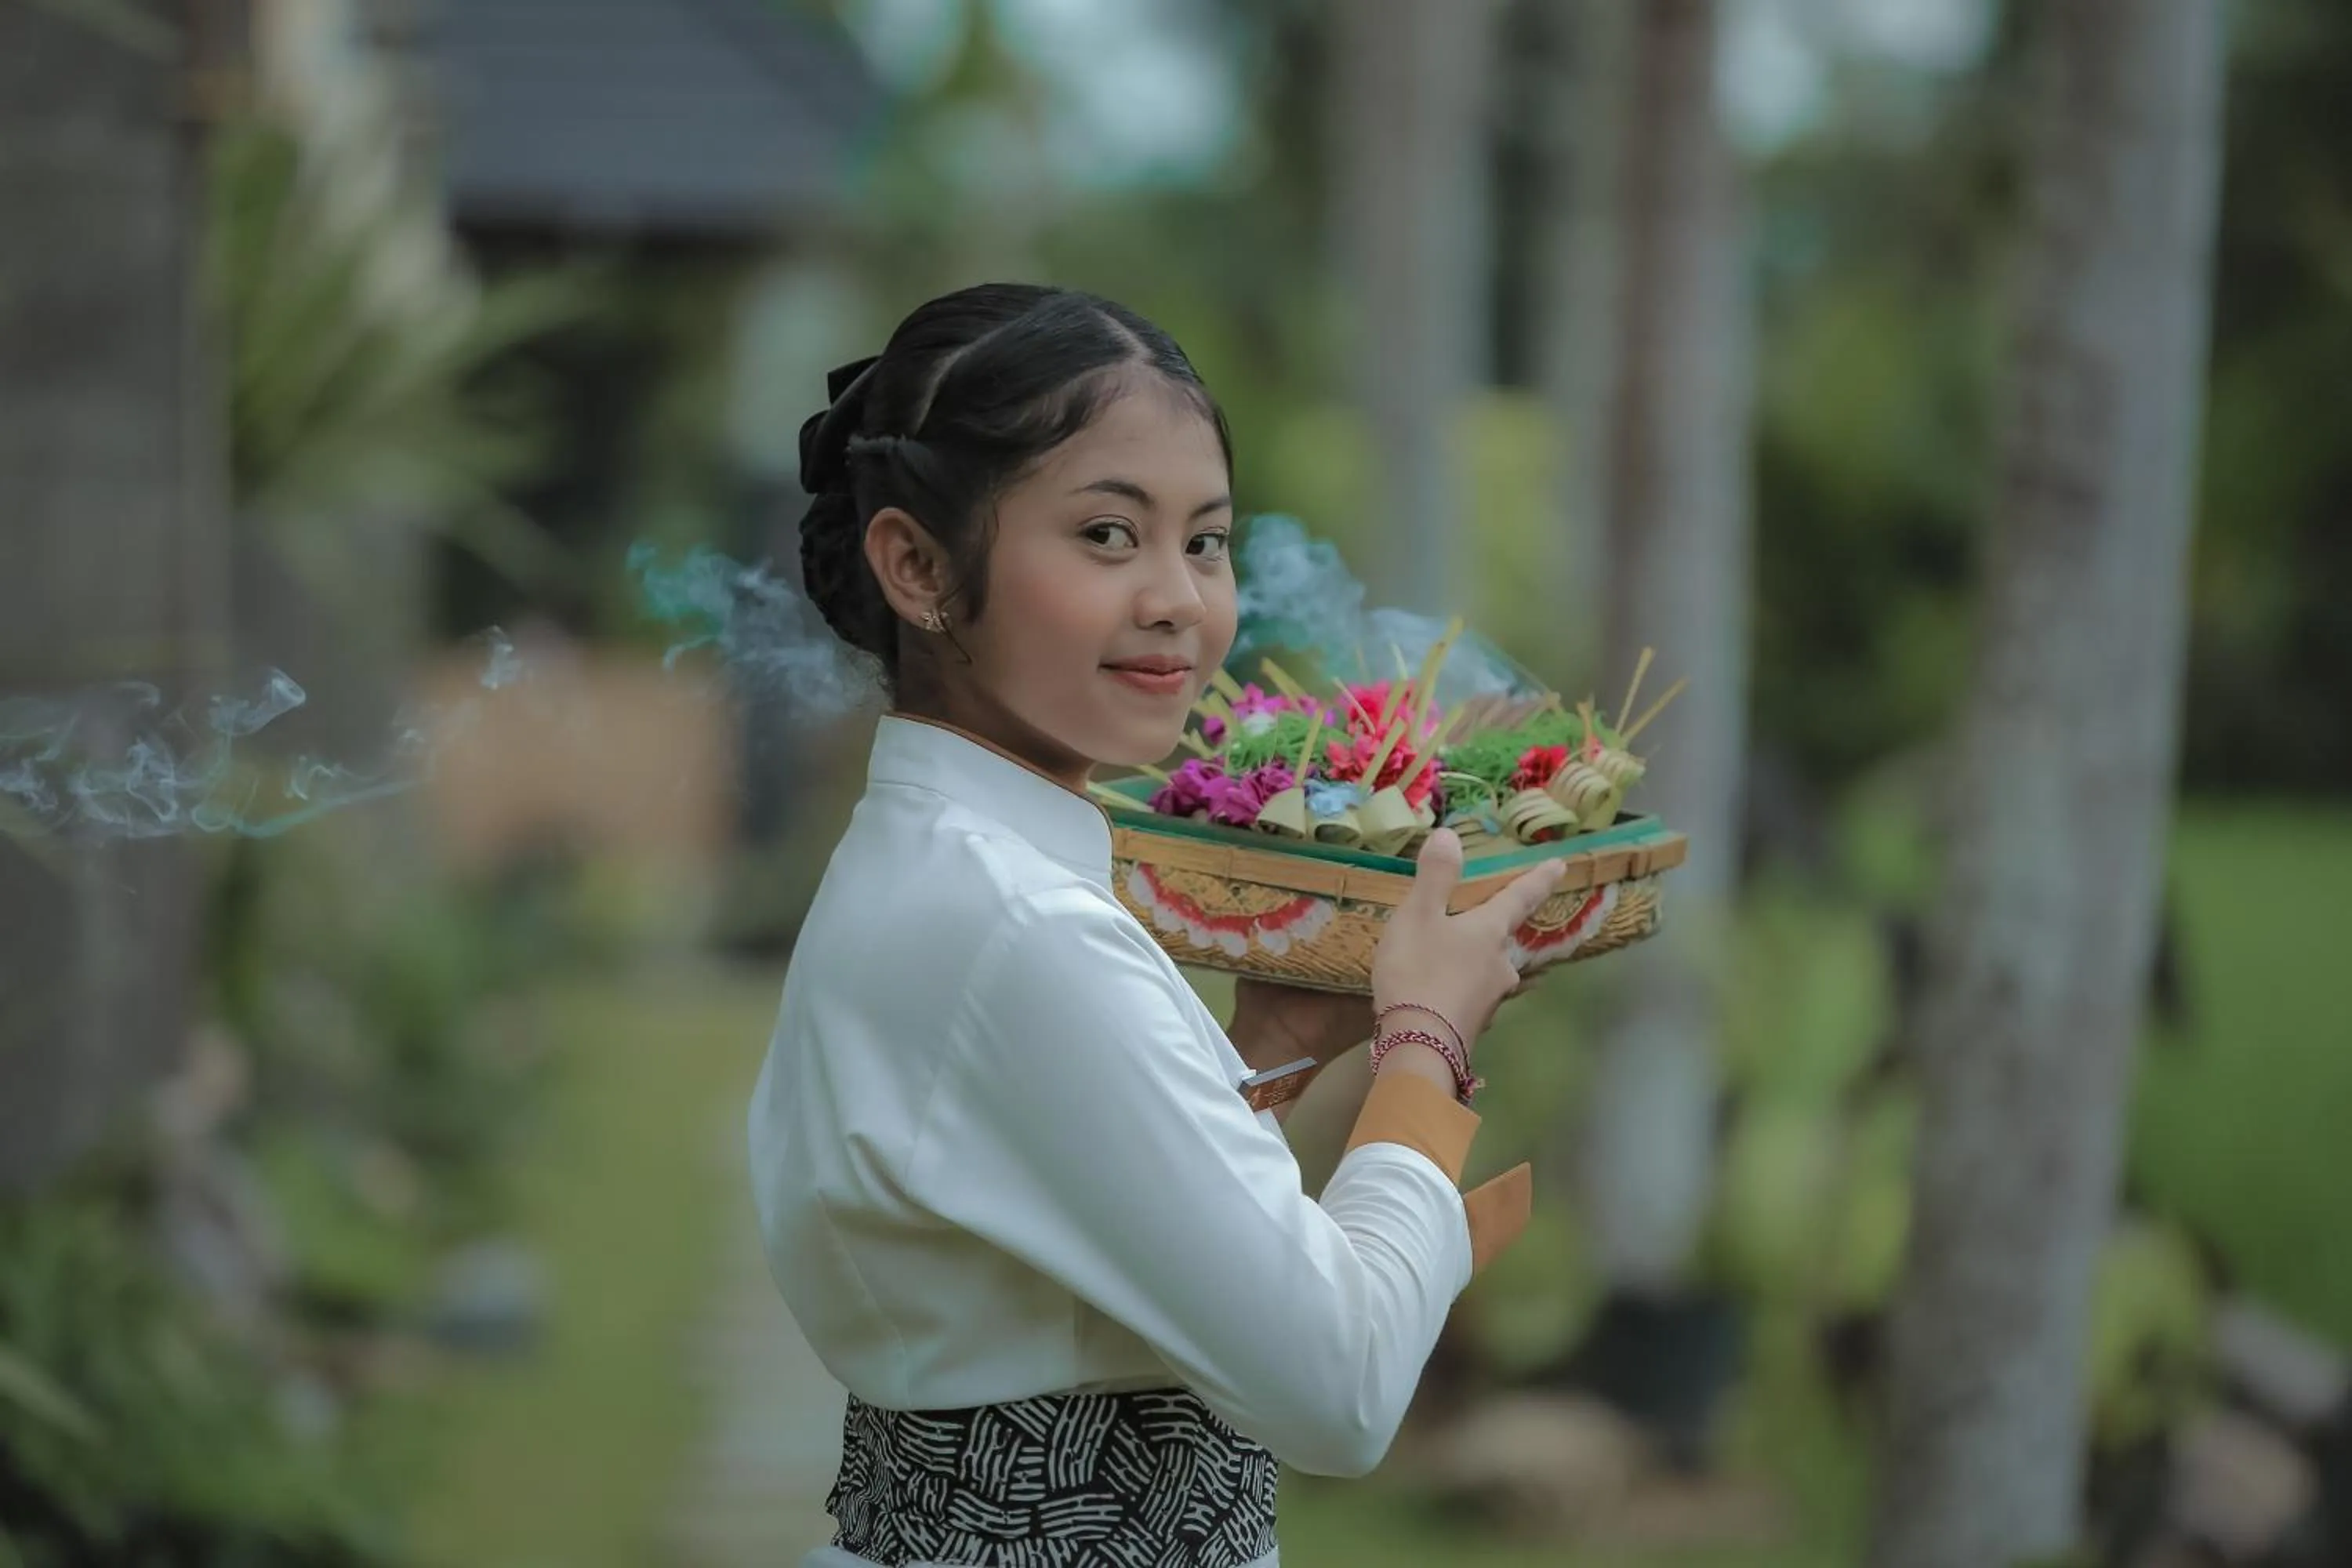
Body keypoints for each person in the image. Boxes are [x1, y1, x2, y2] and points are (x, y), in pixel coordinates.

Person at [747, 282, 1566, 1568]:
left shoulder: (963, 875)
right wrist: (1424, 1048)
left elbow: (1061, 1226)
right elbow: (1337, 1388)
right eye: (1108, 535)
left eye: (1208, 542)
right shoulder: (1016, 922)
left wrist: (1277, 1057)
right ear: (916, 566)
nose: (1181, 599)